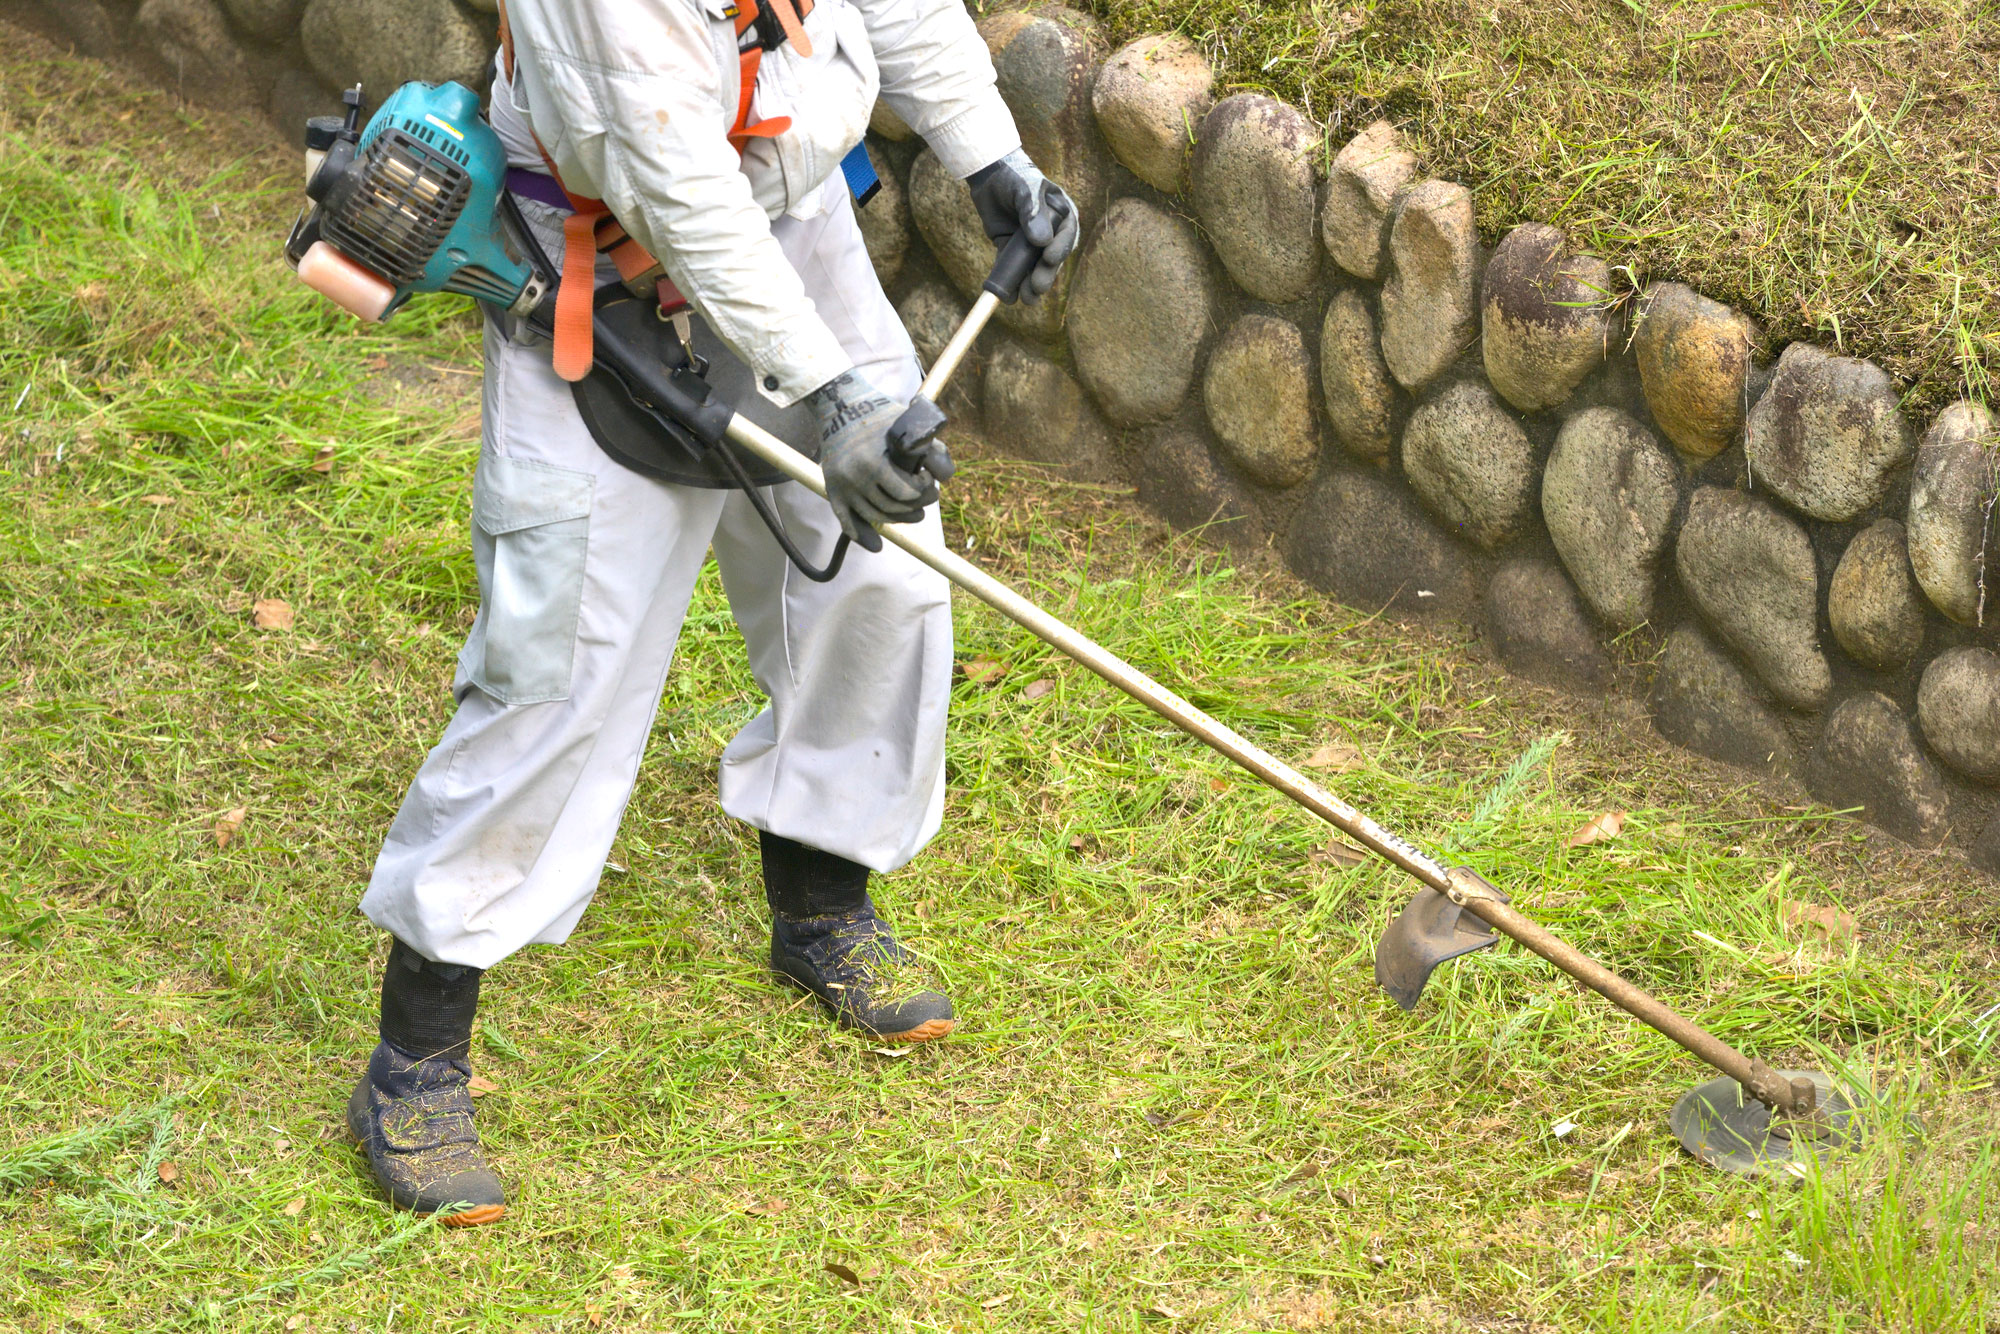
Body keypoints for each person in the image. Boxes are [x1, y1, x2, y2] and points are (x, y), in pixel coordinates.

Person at [343, 0, 1077, 1225]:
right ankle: (414, 1057)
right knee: (558, 666)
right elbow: (675, 185)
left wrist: (989, 155)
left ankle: (819, 902)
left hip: (791, 227)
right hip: (597, 260)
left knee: (882, 573)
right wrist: (834, 394)